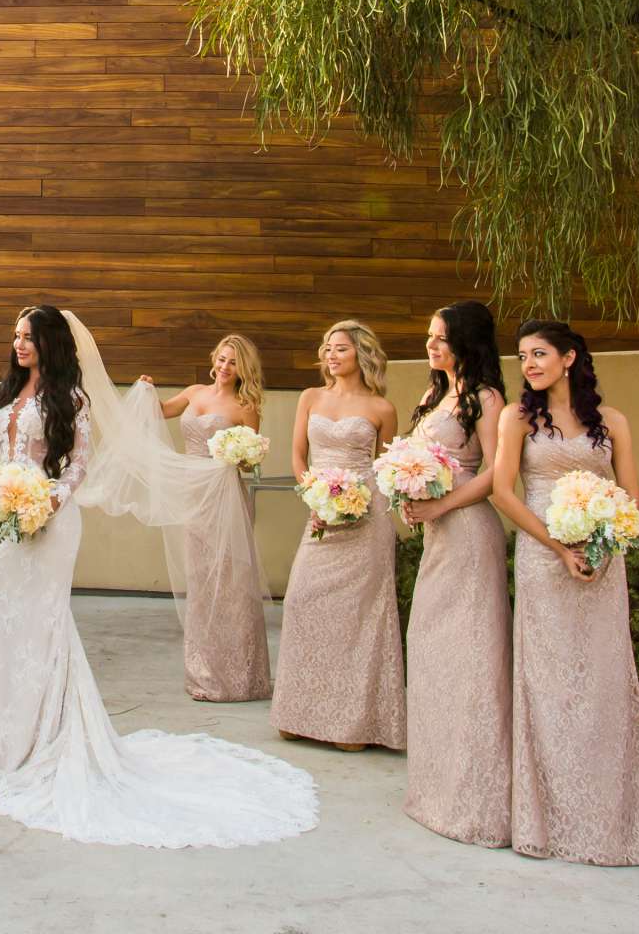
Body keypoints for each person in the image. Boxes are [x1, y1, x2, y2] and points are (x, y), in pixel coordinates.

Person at [0, 305, 317, 848]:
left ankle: (49, 739)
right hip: (4, 527)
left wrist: (46, 502)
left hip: (49, 521)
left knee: (45, 627)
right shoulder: (2, 392)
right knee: (7, 632)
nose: (18, 345)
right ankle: (4, 746)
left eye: (29, 337)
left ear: (51, 344)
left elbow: (79, 464)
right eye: (15, 336)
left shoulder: (74, 399)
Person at [490, 318, 639, 866]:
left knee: (600, 679)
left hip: (601, 564)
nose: (528, 365)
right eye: (523, 356)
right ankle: (546, 816)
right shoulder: (518, 418)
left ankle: (603, 811)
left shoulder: (613, 422)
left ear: (569, 357)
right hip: (544, 559)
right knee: (548, 679)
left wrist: (600, 546)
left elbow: (629, 498)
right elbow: (504, 493)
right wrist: (558, 547)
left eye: (539, 354)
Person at [400, 301, 511, 845]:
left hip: (468, 533)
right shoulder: (430, 395)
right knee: (433, 653)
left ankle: (474, 796)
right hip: (437, 539)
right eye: (428, 335)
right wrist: (408, 491)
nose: (431, 345)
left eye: (441, 337)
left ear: (466, 341)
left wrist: (442, 506)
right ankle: (435, 782)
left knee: (469, 658)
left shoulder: (485, 399)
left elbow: (494, 473)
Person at [269, 319, 404, 751]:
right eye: (327, 348)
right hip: (321, 513)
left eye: (340, 348)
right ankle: (299, 713)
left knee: (357, 616)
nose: (331, 355)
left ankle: (351, 724)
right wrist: (315, 496)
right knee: (302, 601)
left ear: (361, 355)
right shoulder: (310, 397)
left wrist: (358, 503)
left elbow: (384, 470)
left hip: (367, 518)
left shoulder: (382, 409)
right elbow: (297, 453)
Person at [153, 335, 273, 701]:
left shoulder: (245, 405)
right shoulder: (194, 392)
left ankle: (239, 675)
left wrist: (237, 455)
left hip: (224, 498)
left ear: (243, 370)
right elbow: (161, 410)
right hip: (193, 493)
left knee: (231, 583)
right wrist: (145, 392)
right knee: (201, 581)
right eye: (221, 359)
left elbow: (252, 457)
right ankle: (204, 673)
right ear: (213, 358)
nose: (224, 367)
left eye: (232, 363)